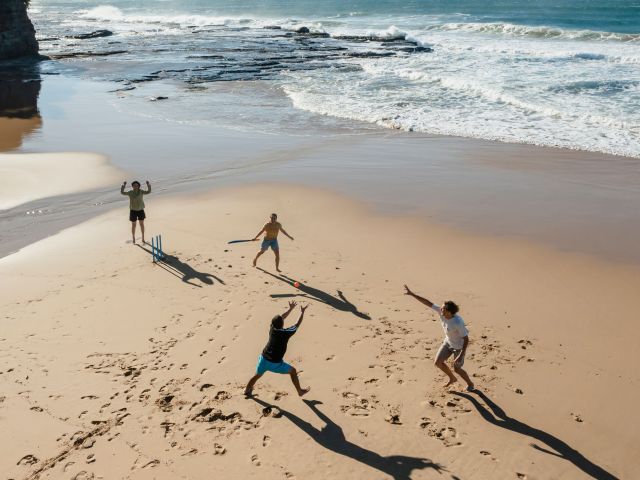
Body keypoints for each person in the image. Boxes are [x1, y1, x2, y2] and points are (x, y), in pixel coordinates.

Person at [404, 285, 474, 391]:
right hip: (448, 343)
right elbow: (427, 303)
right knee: (438, 362)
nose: (441, 309)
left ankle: (470, 383)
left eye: (444, 309)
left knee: (457, 368)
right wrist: (413, 294)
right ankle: (452, 378)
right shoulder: (441, 312)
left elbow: (466, 338)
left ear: (450, 312)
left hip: (459, 347)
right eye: (441, 307)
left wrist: (461, 354)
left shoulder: (457, 322)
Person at [244, 301, 310, 397]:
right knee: (293, 371)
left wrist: (290, 309)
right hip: (275, 363)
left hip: (263, 358)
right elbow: (297, 324)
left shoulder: (272, 328)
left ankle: (246, 390)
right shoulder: (285, 333)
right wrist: (302, 312)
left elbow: (281, 318)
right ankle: (300, 391)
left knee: (257, 375)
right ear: (282, 324)